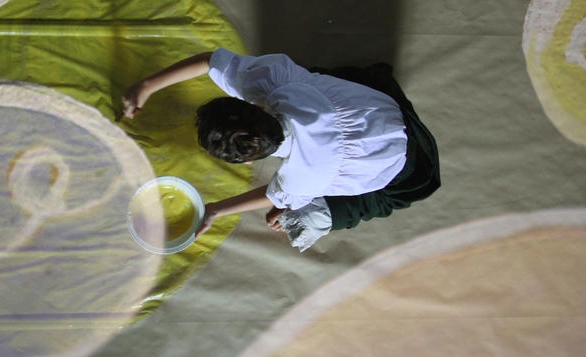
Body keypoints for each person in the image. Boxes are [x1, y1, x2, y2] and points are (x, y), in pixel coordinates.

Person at [122, 48, 439, 251]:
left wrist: (217, 210)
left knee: (309, 216)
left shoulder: (306, 176)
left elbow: (276, 196)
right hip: (378, 109)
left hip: (398, 161)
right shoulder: (274, 80)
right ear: (251, 104)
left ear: (248, 159)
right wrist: (147, 86)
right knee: (314, 77)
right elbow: (210, 61)